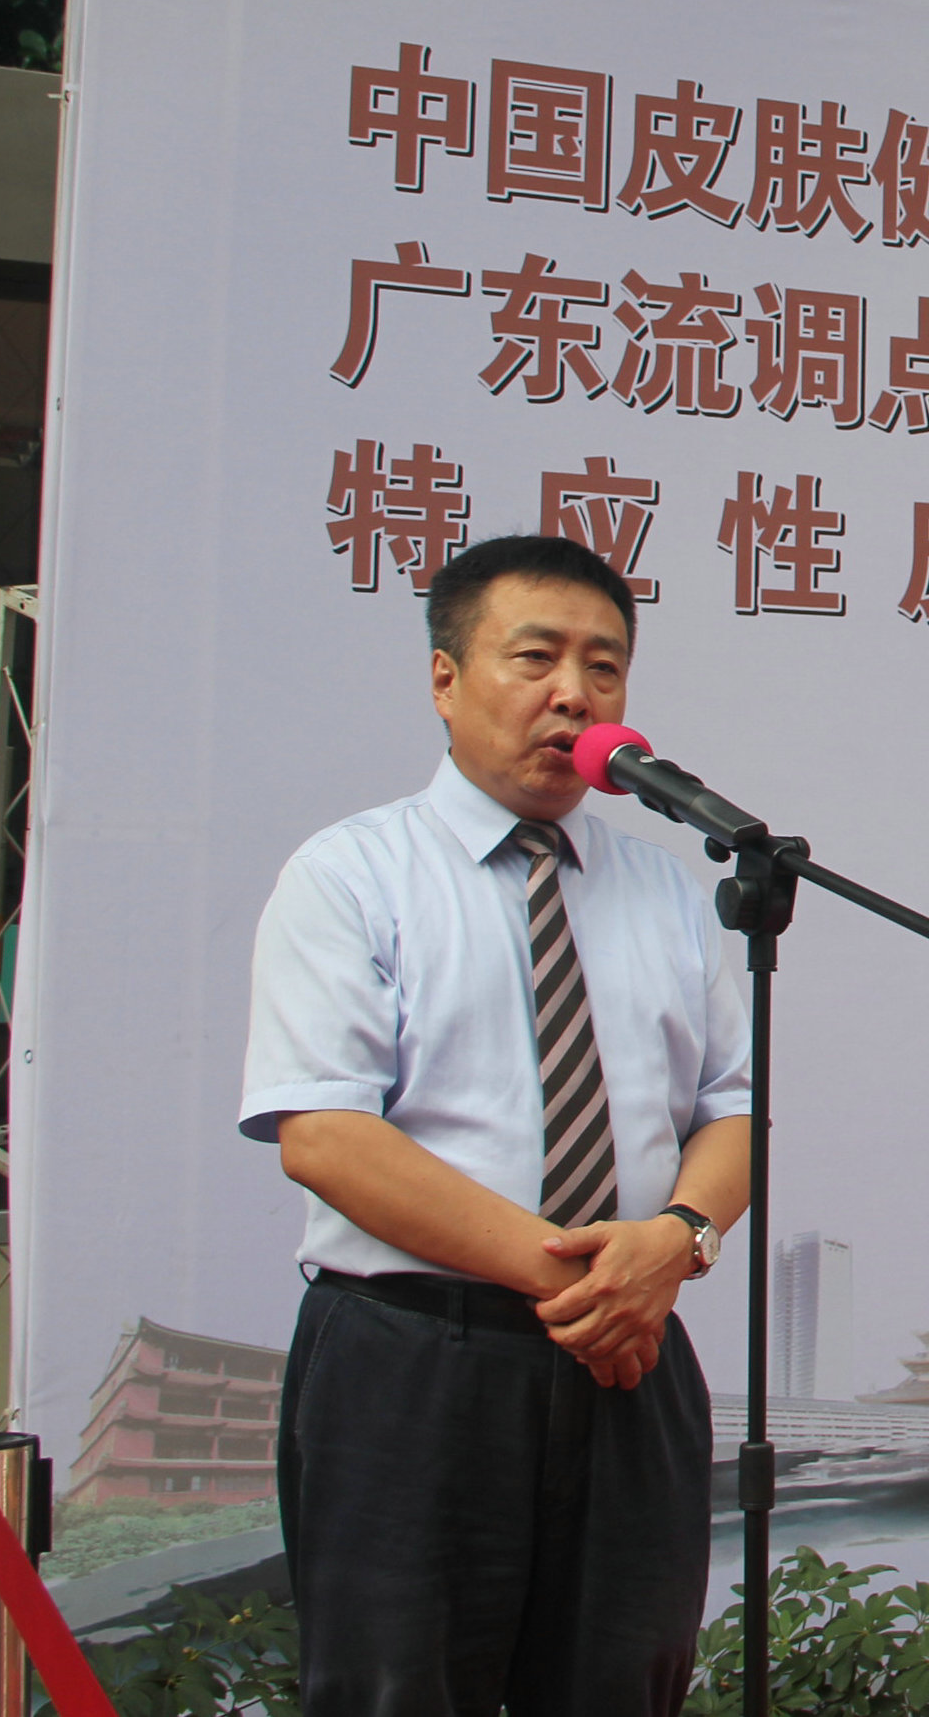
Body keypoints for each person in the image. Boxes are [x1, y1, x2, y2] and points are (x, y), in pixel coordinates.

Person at [241, 532, 752, 1715]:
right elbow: (325, 1134)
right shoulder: (351, 874)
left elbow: (730, 1111)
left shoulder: (668, 892)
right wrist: (587, 1281)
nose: (574, 693)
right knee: (397, 1691)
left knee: (624, 1684)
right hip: (416, 1358)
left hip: (630, 1360)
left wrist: (676, 1239)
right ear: (445, 678)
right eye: (536, 658)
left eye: (604, 667)